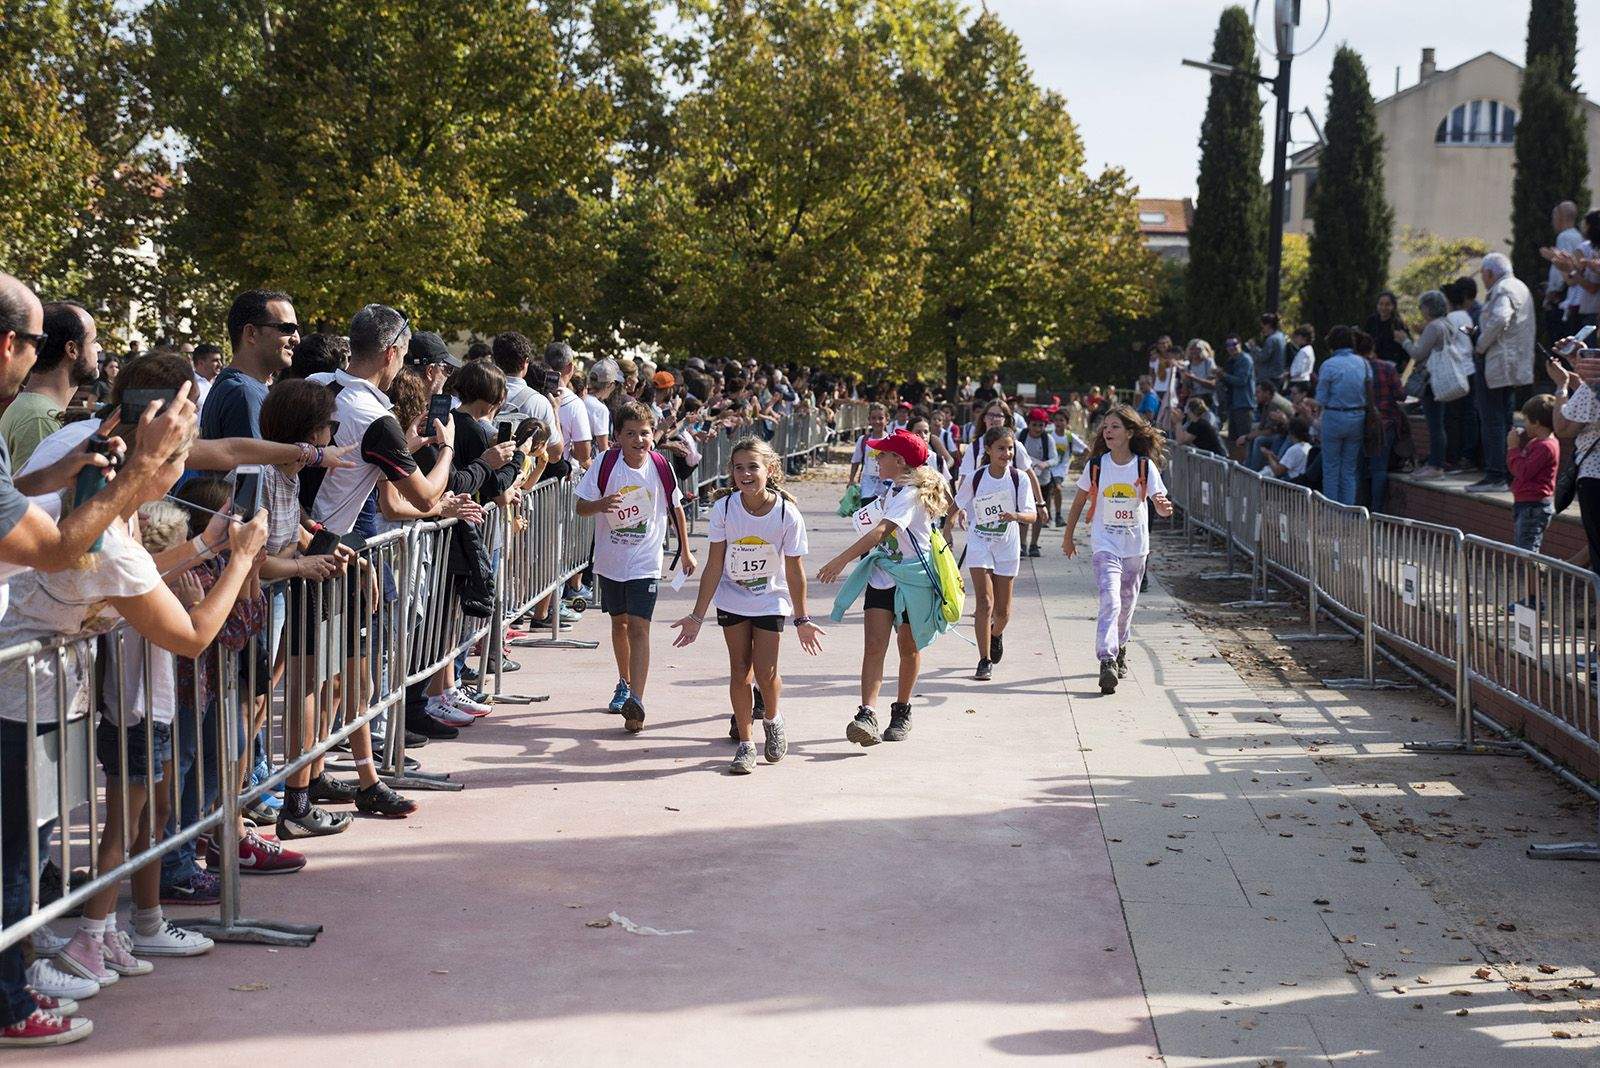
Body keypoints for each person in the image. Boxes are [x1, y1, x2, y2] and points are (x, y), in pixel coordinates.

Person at [301, 303, 458, 817]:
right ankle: (298, 793)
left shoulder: (319, 383)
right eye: (406, 355)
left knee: (348, 674)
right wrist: (448, 452)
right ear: (392, 353)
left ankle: (345, 778)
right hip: (327, 553)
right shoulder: (375, 418)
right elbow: (423, 500)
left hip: (323, 544)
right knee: (310, 679)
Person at [671, 438, 823, 774]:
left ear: (770, 470)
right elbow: (714, 564)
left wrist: (803, 618)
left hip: (770, 599)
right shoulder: (725, 509)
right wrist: (697, 615)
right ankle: (745, 743)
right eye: (738, 468)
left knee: (766, 674)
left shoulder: (787, 513)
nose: (745, 474)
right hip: (732, 598)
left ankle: (773, 718)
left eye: (752, 467)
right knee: (740, 671)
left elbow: (796, 570)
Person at [818, 428, 951, 747]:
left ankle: (902, 711)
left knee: (909, 647)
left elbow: (881, 531)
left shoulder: (910, 495)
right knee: (874, 647)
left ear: (900, 460)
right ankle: (866, 713)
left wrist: (841, 560)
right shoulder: (893, 490)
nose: (876, 458)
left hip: (912, 581)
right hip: (882, 577)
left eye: (882, 454)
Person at [575, 402, 696, 733]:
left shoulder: (659, 465)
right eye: (631, 434)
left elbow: (676, 509)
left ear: (653, 436)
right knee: (620, 625)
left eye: (644, 433)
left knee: (640, 627)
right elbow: (580, 506)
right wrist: (602, 504)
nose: (639, 440)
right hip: (611, 561)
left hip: (646, 560)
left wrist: (685, 550)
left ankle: (637, 700)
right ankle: (624, 682)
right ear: (617, 437)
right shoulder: (605, 463)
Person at [1060, 405, 1172, 694]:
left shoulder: (1144, 466)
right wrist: (1068, 536)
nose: (1107, 432)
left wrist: (1162, 507)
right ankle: (1107, 659)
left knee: (1126, 604)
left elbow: (1159, 504)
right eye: (1105, 427)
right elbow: (1079, 502)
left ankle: (1121, 645)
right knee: (1110, 599)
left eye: (1115, 427)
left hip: (1135, 546)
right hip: (1104, 543)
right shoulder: (1097, 465)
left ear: (1130, 433)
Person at [954, 426, 1035, 681]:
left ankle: (995, 633)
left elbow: (1032, 515)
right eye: (1001, 448)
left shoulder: (1019, 478)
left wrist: (1016, 516)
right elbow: (955, 504)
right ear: (988, 450)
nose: (1007, 453)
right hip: (980, 543)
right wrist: (948, 526)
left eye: (1010, 448)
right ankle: (984, 659)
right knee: (984, 603)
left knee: (1003, 612)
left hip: (1007, 545)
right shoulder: (976, 478)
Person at [0, 301, 98, 469]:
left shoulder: (34, 410)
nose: (99, 348)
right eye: (94, 341)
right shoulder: (40, 419)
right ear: (72, 349)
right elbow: (34, 493)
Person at [1469, 253, 1537, 492]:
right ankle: (1507, 473)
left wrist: (1479, 343)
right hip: (1510, 365)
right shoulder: (1519, 286)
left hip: (1498, 365)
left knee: (1493, 421)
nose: (1483, 280)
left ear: (1489, 273)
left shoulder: (1503, 288)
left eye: (1483, 275)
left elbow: (1500, 318)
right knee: (1504, 420)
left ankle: (1496, 474)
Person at [1401, 289, 1472, 479]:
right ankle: (1437, 462)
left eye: (1422, 307)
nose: (1421, 311)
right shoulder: (1447, 324)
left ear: (1429, 307)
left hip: (1431, 380)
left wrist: (1404, 341)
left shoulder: (1434, 326)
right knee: (1439, 422)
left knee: (1434, 424)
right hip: (1442, 379)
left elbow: (1418, 353)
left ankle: (1436, 465)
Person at [1315, 325, 1367, 506]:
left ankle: (1332, 511)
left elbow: (1321, 399)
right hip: (1358, 416)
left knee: (1330, 468)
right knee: (1349, 469)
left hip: (1334, 416)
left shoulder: (1329, 365)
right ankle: (1349, 510)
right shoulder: (1363, 363)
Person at [1507, 393, 1559, 562]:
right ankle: (1534, 582)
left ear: (1536, 422)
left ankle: (1533, 586)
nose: (1524, 424)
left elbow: (1522, 471)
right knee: (1524, 549)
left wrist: (1513, 448)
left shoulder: (1545, 446)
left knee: (1527, 553)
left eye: (1526, 420)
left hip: (1533, 506)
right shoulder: (1537, 443)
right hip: (1526, 503)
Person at [1356, 330, 1404, 513]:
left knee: (1360, 468)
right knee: (1379, 468)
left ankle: (1360, 508)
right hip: (1385, 423)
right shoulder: (1388, 368)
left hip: (1361, 422)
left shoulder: (1355, 369)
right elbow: (1400, 394)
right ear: (1373, 347)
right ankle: (1377, 511)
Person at [1019, 408, 1056, 556]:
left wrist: (1045, 464)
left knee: (1039, 514)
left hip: (1043, 481)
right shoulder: (1020, 436)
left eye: (1041, 425)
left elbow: (1055, 458)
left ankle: (1034, 544)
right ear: (1028, 424)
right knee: (1023, 513)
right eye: (1034, 425)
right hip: (1023, 481)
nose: (1037, 429)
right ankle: (1022, 544)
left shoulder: (1048, 440)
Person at [1545, 200, 1584, 338]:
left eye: (1554, 217)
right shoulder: (1578, 236)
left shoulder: (1564, 237)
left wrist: (1551, 291)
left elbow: (1562, 267)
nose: (1553, 221)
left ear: (1561, 217)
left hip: (1562, 299)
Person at [847, 403, 890, 504]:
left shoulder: (891, 440)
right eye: (873, 418)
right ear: (869, 420)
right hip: (867, 487)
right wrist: (851, 480)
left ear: (887, 420)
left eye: (881, 418)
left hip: (886, 488)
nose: (877, 421)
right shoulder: (863, 440)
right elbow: (856, 461)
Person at [1217, 335, 1254, 443]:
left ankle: (1244, 460)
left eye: (1234, 344)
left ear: (1240, 345)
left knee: (1243, 438)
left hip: (1244, 404)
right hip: (1232, 404)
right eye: (1228, 345)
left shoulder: (1245, 360)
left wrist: (1223, 375)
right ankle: (1235, 459)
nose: (1231, 347)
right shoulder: (1230, 360)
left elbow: (1241, 381)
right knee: (1232, 439)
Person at [1260, 416, 1314, 481]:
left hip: (1292, 482)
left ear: (1291, 433)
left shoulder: (1295, 449)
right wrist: (1274, 457)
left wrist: (1268, 456)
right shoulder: (1308, 446)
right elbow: (1287, 464)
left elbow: (1278, 471)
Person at [1365, 292, 1410, 367]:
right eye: (1381, 304)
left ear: (1393, 306)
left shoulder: (1398, 324)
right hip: (1372, 362)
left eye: (1387, 304)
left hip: (1391, 365)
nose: (1383, 308)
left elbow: (1405, 350)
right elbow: (1365, 340)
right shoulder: (1371, 321)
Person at [1256, 313, 1288, 389]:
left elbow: (1263, 357)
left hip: (1269, 376)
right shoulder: (1281, 336)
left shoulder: (1271, 339)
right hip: (1278, 374)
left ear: (1268, 325)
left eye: (1262, 326)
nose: (1262, 328)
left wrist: (1254, 348)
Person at [190, 342, 222, 410]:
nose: (220, 364)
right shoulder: (190, 385)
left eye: (220, 360)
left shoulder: (222, 382)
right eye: (215, 361)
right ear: (201, 363)